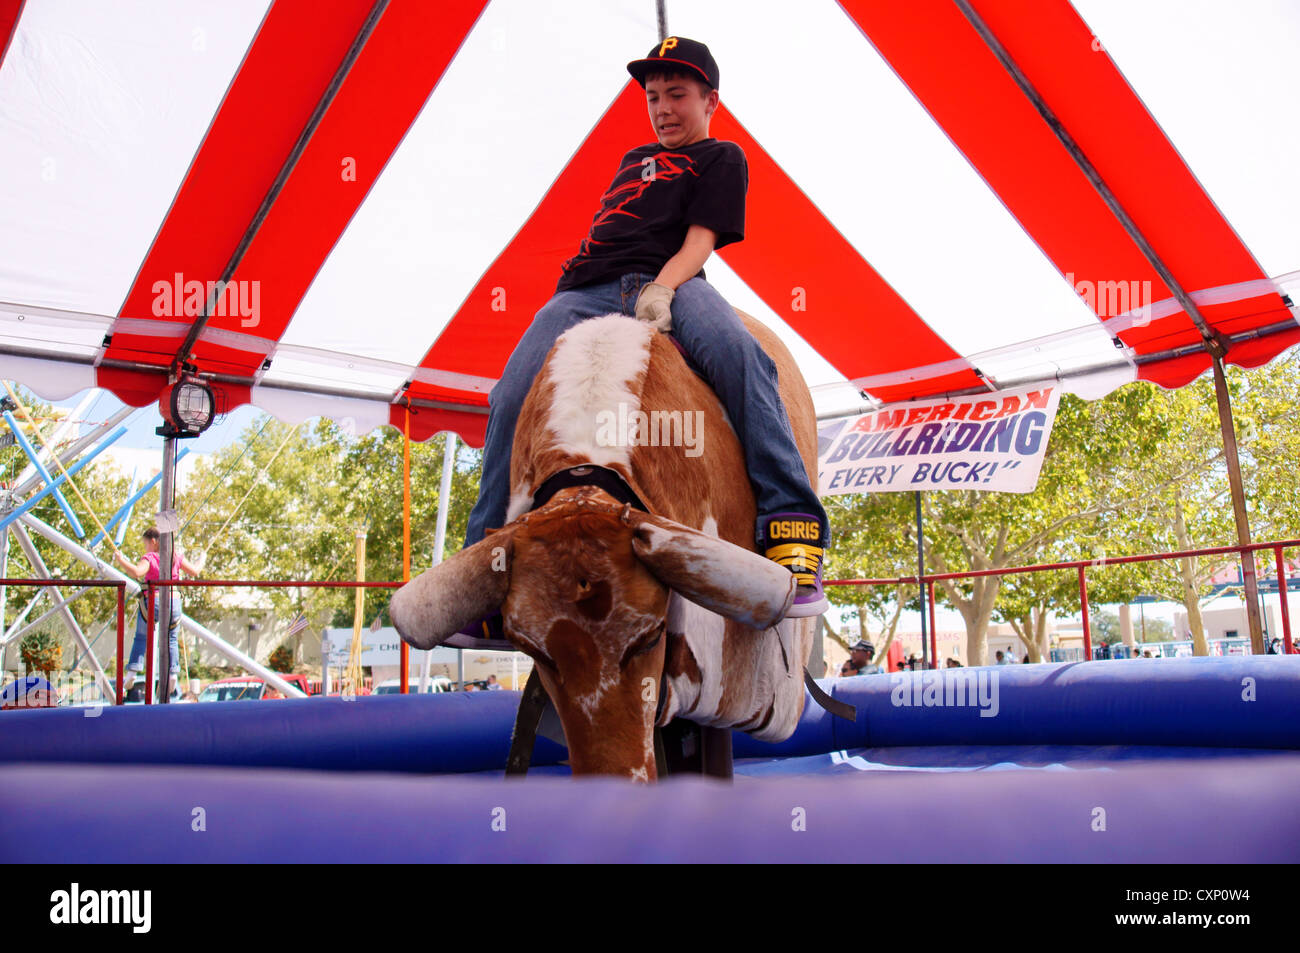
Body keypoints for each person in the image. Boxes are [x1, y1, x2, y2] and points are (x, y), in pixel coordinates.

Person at [459, 37, 830, 639]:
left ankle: (792, 527)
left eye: (677, 95)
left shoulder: (722, 156)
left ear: (711, 99)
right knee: (509, 393)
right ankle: (483, 559)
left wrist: (661, 289)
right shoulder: (633, 159)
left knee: (743, 358)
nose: (662, 108)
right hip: (585, 290)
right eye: (653, 97)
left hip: (675, 282)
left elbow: (699, 241)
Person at [114, 528, 201, 700]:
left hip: (155, 599)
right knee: (172, 639)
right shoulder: (174, 556)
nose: (145, 547)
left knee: (141, 637)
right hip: (174, 601)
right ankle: (173, 674)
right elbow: (195, 571)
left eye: (145, 543)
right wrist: (202, 558)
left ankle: (132, 672)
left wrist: (121, 561)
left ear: (153, 541)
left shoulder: (151, 557)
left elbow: (138, 572)